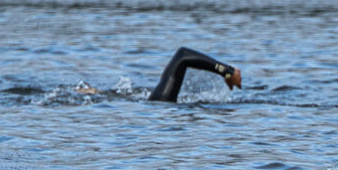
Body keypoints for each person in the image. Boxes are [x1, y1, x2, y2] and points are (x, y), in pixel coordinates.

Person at [74, 47, 241, 102]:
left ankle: (229, 72)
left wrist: (99, 93)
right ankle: (228, 72)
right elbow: (183, 55)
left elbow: (184, 55)